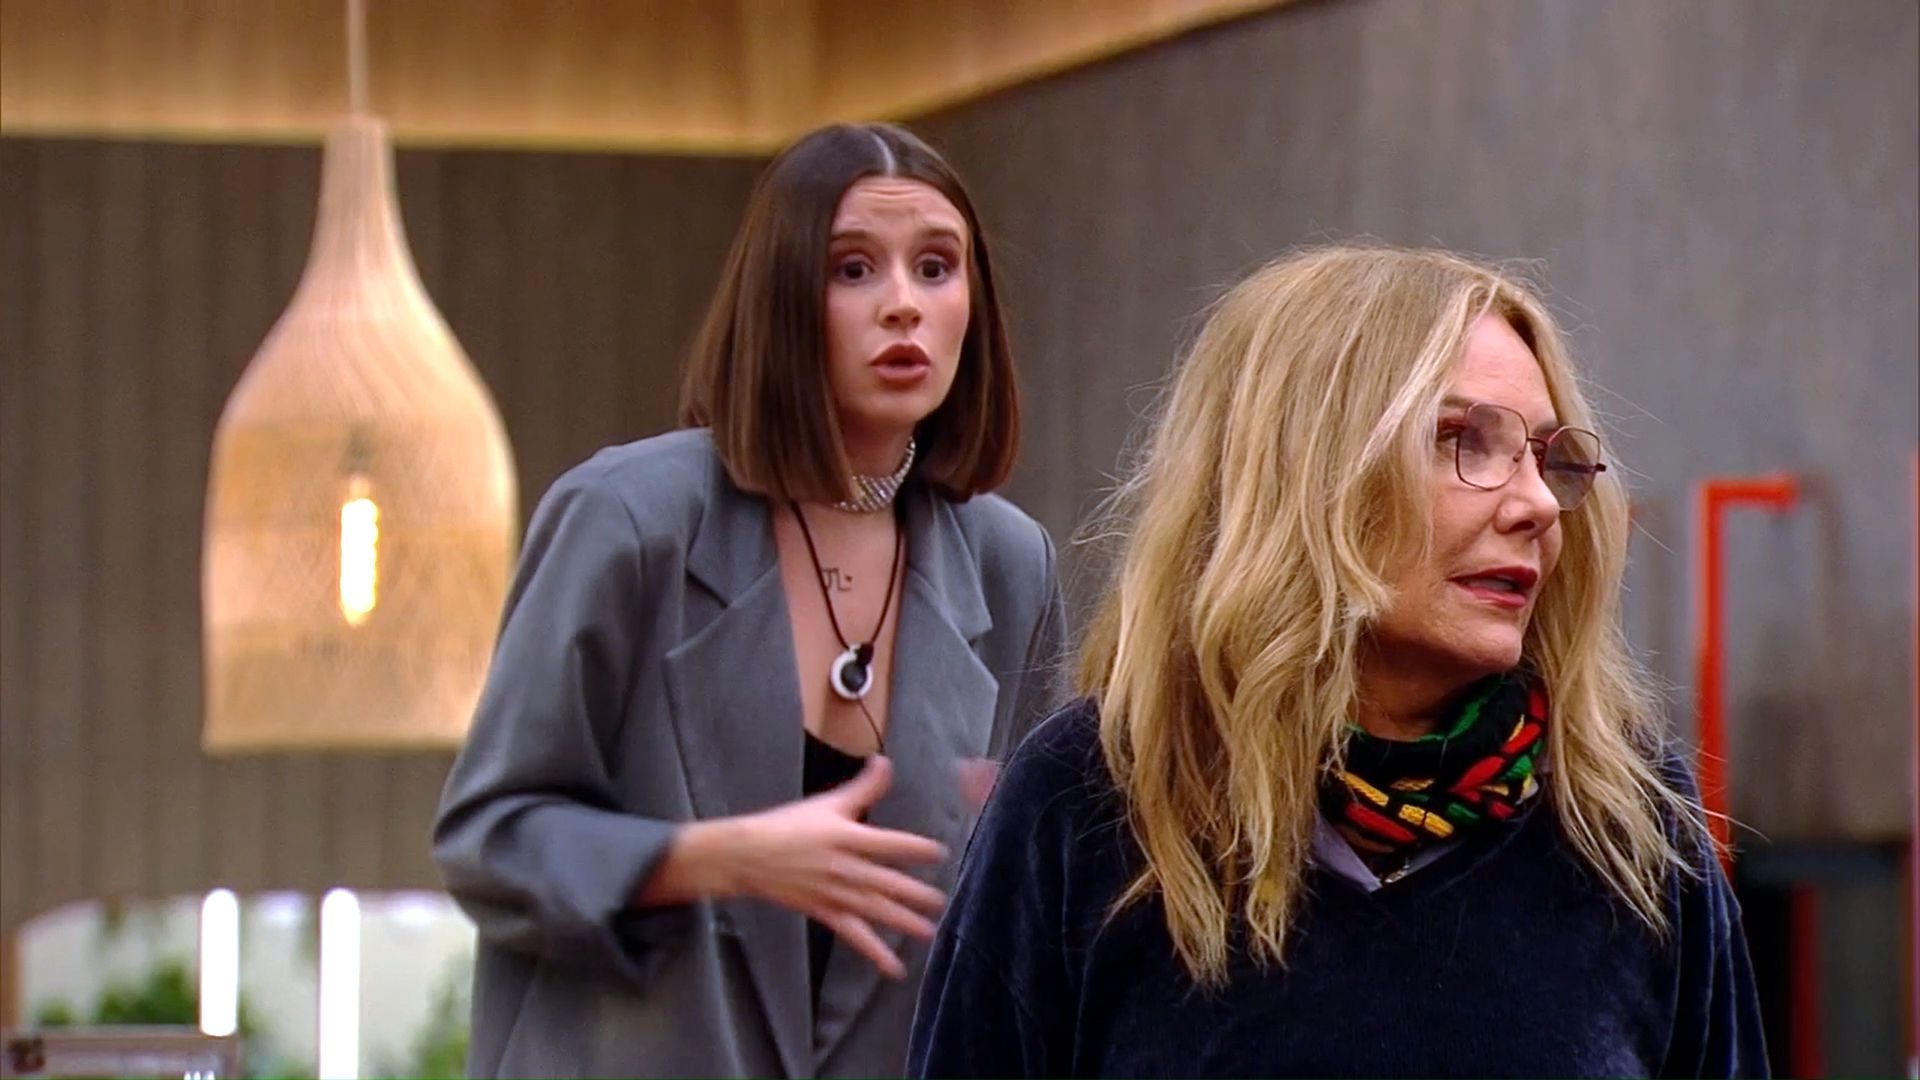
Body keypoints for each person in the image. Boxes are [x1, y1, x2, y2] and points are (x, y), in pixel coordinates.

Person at [908, 245, 1768, 1077]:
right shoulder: (1091, 797)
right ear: (1304, 474)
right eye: (1463, 440)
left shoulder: (1624, 817)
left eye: (1549, 458)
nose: (1539, 504)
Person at [433, 122, 1066, 1079]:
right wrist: (712, 860)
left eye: (937, 268)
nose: (904, 304)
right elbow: (490, 841)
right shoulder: (629, 521)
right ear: (780, 298)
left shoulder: (1009, 565)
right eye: (853, 270)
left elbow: (1020, 916)